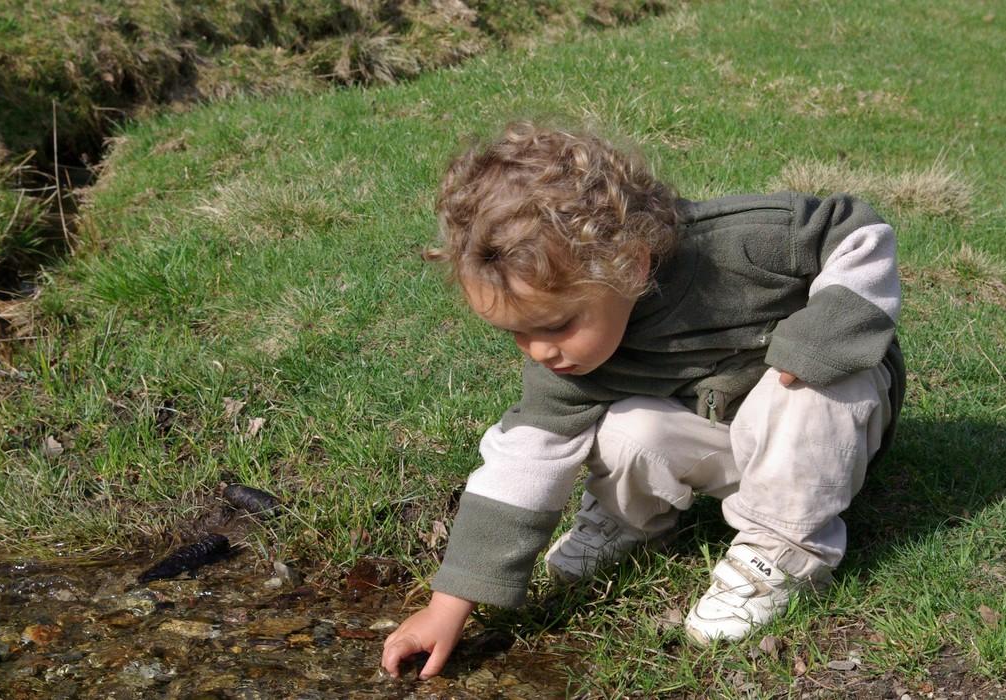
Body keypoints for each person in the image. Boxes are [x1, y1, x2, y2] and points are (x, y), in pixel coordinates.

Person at [381, 121, 905, 679]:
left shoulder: (741, 244)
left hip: (824, 434)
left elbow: (855, 231)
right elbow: (522, 463)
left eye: (557, 325)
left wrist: (823, 337)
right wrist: (449, 604)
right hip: (730, 437)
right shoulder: (568, 365)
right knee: (626, 428)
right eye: (516, 333)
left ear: (629, 265)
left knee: (810, 388)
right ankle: (631, 522)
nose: (540, 352)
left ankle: (783, 551)